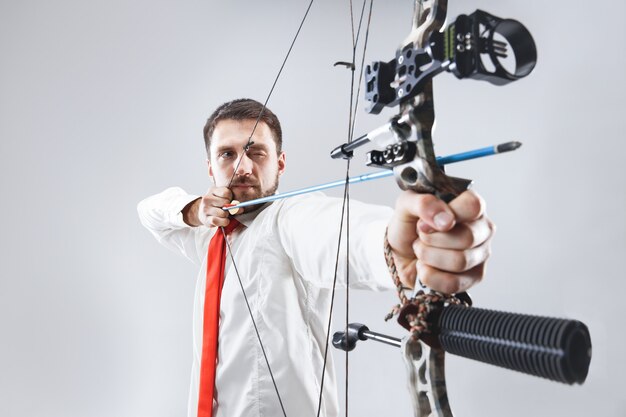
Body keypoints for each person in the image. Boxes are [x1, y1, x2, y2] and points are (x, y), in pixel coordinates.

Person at [137, 98, 494, 417]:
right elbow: (150, 211)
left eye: (256, 152)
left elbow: (333, 233)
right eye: (227, 154)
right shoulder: (207, 238)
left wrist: (398, 245)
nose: (242, 165)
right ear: (210, 167)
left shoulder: (287, 220)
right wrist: (194, 209)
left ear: (280, 162)